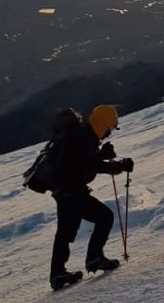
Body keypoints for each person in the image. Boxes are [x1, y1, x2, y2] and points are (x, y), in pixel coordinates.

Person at [48, 104, 132, 289]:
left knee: (65, 232)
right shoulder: (83, 138)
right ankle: (93, 258)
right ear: (102, 125)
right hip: (71, 192)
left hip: (66, 191)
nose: (109, 133)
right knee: (104, 217)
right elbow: (86, 168)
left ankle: (58, 273)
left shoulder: (83, 136)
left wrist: (116, 165)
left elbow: (89, 165)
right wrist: (105, 159)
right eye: (109, 129)